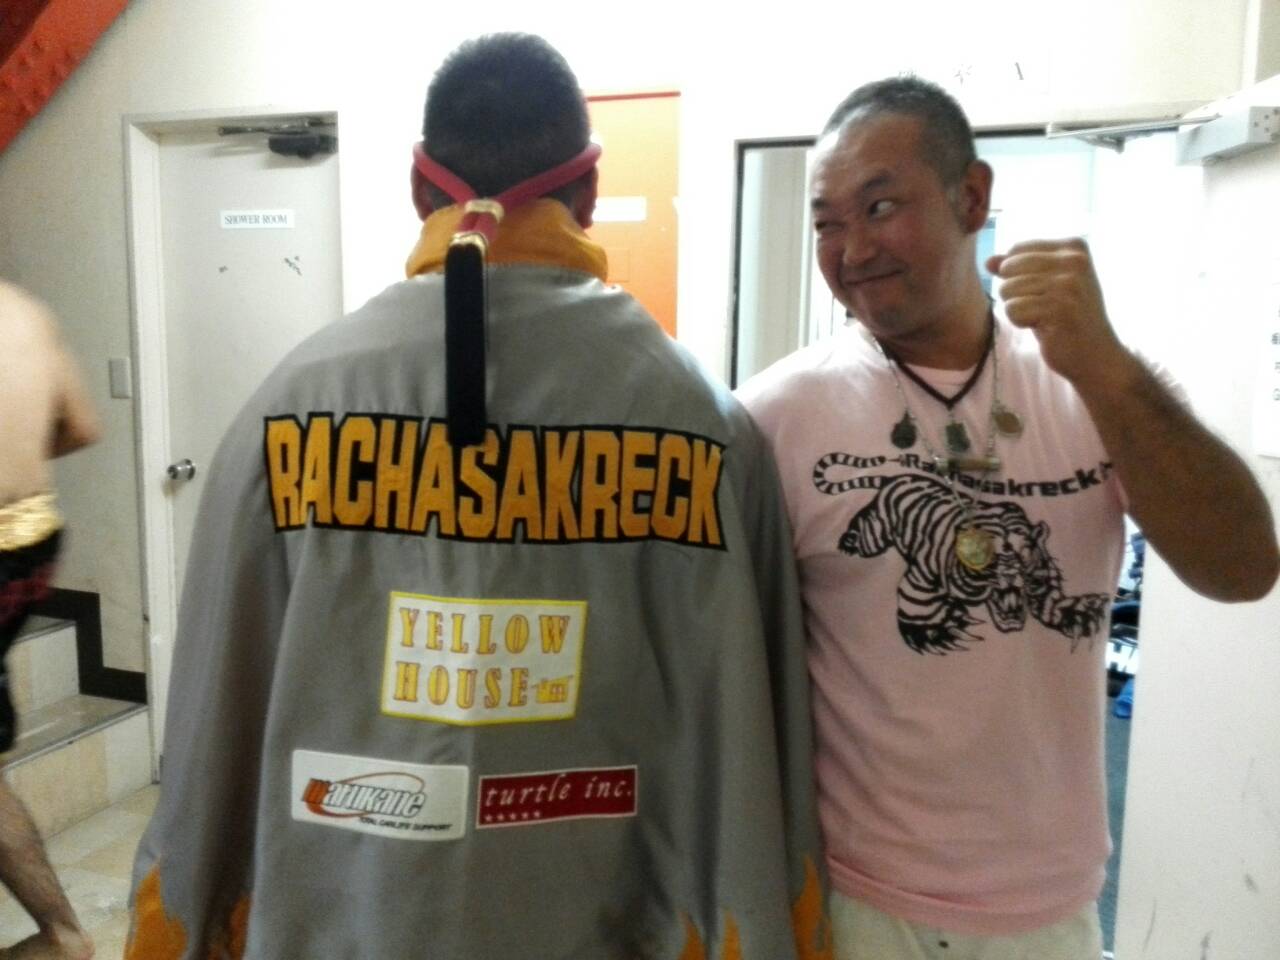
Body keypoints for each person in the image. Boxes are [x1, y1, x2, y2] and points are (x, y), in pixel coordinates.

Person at [126, 33, 831, 960]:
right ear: (587, 190)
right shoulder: (708, 425)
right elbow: (753, 750)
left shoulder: (283, 412)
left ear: (421, 189)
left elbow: (213, 727)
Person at [737, 76, 1279, 960]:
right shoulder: (774, 417)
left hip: (1047, 907)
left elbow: (1242, 567)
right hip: (856, 897)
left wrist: (1104, 365)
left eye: (881, 206)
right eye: (827, 223)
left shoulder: (1091, 383)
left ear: (972, 198)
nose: (852, 249)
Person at [0, 281, 99, 960]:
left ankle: (63, 935)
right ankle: (62, 934)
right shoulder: (24, 309)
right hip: (30, 544)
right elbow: (81, 426)